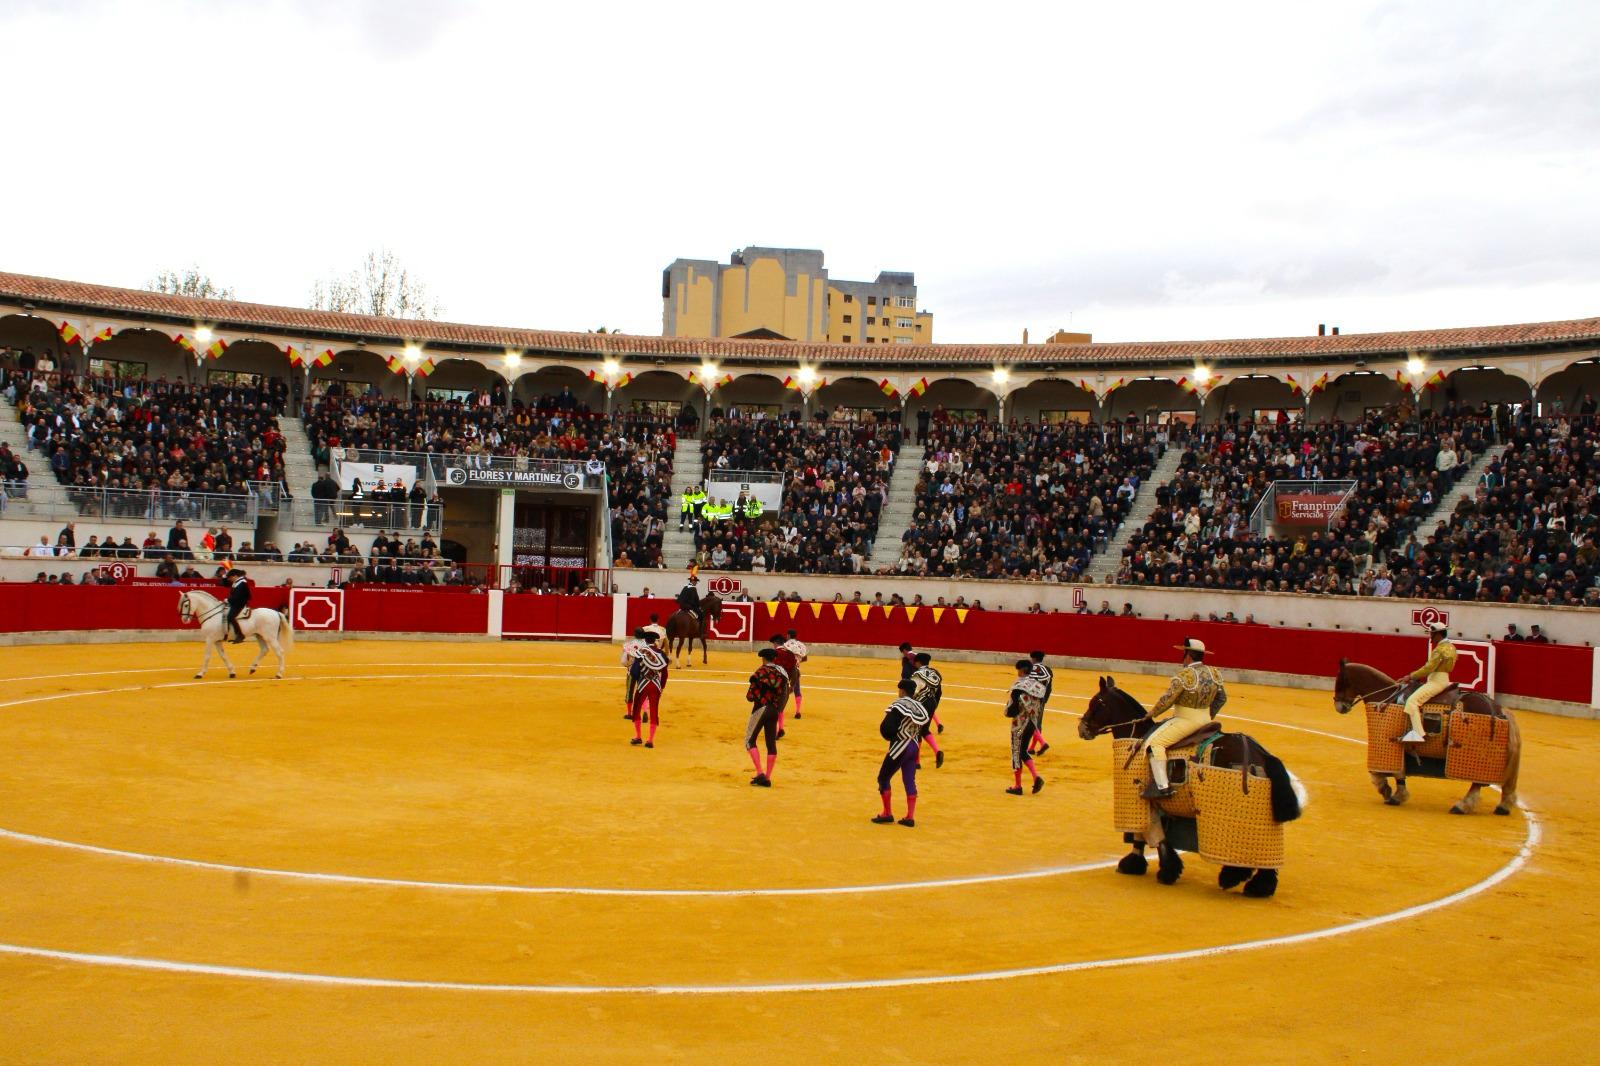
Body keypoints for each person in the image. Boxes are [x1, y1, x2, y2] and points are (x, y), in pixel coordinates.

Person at [1142, 638, 1227, 798]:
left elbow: (1168, 699)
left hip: (1186, 721)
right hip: (1207, 721)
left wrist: (1152, 713)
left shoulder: (1185, 675)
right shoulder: (1214, 673)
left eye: (1183, 654)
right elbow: (1222, 698)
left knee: (1156, 744)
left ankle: (1162, 786)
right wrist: (1208, 716)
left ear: (1188, 655)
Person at [873, 679, 930, 827]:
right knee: (909, 780)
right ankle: (910, 817)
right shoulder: (919, 706)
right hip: (914, 746)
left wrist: (891, 737)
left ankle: (887, 813)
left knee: (883, 777)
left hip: (901, 746)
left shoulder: (899, 704)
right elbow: (924, 729)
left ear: (902, 691)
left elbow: (887, 727)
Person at [1399, 622, 1456, 744]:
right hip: (1443, 679)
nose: (1430, 636)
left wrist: (1410, 676)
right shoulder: (1451, 647)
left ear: (1438, 634)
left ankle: (1419, 733)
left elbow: (1428, 668)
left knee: (1412, 701)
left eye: (1432, 634)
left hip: (1436, 681)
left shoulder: (1440, 650)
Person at [744, 646, 790, 787]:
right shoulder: (781, 674)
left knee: (749, 741)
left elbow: (750, 696)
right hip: (774, 710)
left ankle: (759, 773)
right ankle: (768, 778)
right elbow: (784, 693)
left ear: (763, 659)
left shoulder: (760, 672)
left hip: (760, 709)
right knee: (771, 744)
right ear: (774, 658)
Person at [1004, 659, 1047, 795]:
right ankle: (1036, 777)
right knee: (1023, 751)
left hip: (1019, 726)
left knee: (1016, 752)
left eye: (1018, 670)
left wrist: (1008, 711)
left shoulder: (1018, 687)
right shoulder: (1037, 686)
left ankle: (1018, 786)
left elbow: (1012, 710)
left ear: (1022, 670)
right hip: (1032, 725)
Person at [628, 632, 670, 748]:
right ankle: (650, 740)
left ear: (645, 641)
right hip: (656, 685)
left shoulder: (641, 652)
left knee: (636, 709)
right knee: (654, 711)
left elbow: (634, 672)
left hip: (643, 684)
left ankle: (638, 736)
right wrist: (661, 687)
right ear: (655, 641)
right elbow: (665, 674)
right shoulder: (660, 654)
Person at [910, 652, 945, 769]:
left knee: (916, 731)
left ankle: (917, 762)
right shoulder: (935, 674)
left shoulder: (917, 674)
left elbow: (913, 692)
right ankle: (937, 751)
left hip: (921, 704)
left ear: (918, 662)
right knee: (924, 730)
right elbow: (939, 693)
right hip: (932, 703)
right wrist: (934, 706)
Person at [769, 634, 800, 738]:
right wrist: (791, 686)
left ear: (775, 643)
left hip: (775, 686)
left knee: (773, 709)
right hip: (786, 685)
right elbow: (796, 672)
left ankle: (776, 731)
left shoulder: (773, 654)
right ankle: (781, 728)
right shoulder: (791, 655)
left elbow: (769, 671)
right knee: (780, 708)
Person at [1026, 649, 1053, 756]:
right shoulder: (1048, 670)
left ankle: (1042, 743)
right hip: (1042, 699)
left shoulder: (1031, 669)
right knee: (1037, 724)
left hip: (1032, 700)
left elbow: (1028, 685)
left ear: (1034, 659)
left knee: (1030, 723)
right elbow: (1049, 688)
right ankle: (1032, 748)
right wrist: (1044, 700)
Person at [783, 628, 809, 718]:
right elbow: (805, 658)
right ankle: (798, 711)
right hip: (796, 670)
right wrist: (797, 661)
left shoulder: (786, 645)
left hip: (786, 670)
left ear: (789, 635)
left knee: (783, 689)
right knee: (797, 690)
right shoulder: (801, 645)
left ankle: (780, 710)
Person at [222, 567, 251, 643]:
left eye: (230, 577)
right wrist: (224, 575)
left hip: (239, 604)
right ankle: (228, 635)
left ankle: (240, 634)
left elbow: (238, 596)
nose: (229, 579)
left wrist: (228, 600)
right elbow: (225, 584)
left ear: (235, 576)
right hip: (235, 603)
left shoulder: (242, 583)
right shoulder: (237, 582)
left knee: (230, 616)